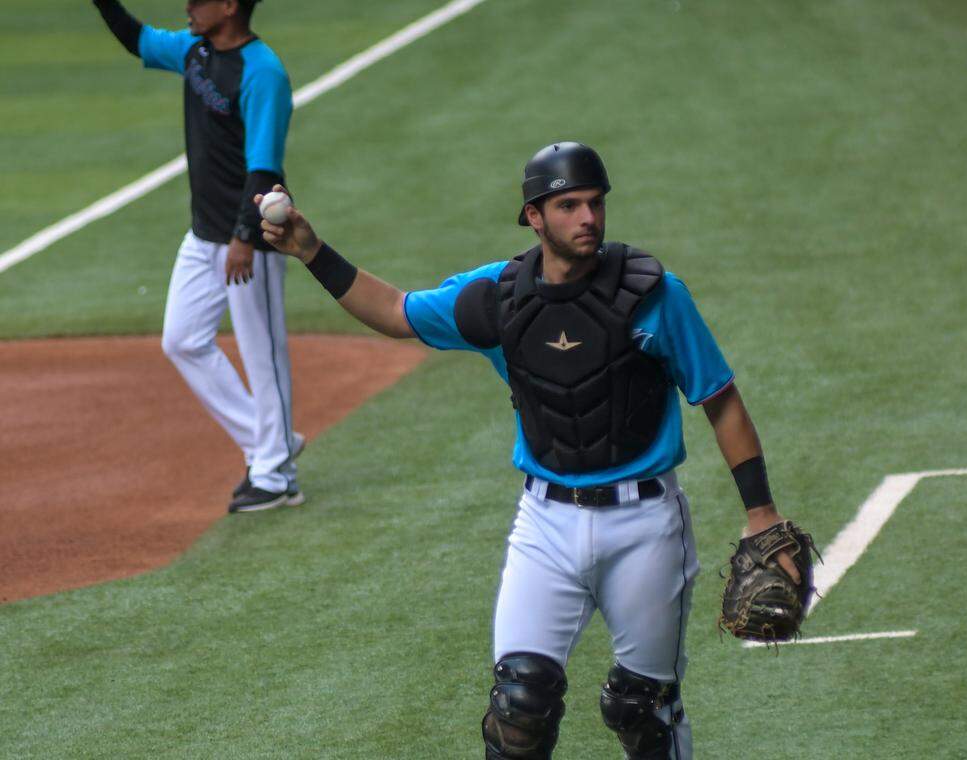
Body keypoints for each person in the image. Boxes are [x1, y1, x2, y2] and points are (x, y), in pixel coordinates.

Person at [259, 142, 805, 759]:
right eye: (568, 205)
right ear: (534, 217)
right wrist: (309, 250)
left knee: (642, 708)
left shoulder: (654, 294)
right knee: (518, 708)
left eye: (595, 203)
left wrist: (761, 511)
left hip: (646, 526)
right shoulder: (497, 298)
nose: (588, 218)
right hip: (545, 523)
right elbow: (393, 312)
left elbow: (720, 399)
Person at [92, 0, 303, 513]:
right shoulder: (194, 51)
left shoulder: (263, 73)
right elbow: (136, 39)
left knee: (264, 355)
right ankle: (267, 445)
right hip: (203, 234)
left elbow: (264, 167)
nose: (187, 6)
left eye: (198, 0)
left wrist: (243, 239)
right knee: (182, 340)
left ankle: (277, 477)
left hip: (249, 239)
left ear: (229, 6)